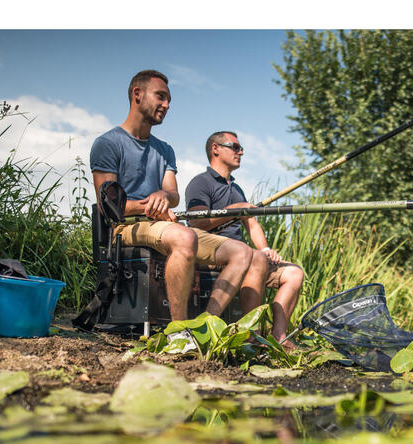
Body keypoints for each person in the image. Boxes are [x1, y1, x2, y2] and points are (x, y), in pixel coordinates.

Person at [89, 70, 203, 350]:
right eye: (160, 97)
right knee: (186, 238)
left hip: (163, 225)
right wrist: (148, 206)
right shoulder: (108, 143)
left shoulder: (165, 150)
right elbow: (109, 207)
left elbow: (173, 194)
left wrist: (164, 195)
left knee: (244, 254)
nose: (166, 105)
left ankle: (207, 328)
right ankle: (179, 334)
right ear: (137, 95)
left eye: (169, 100)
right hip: (125, 226)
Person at [185, 131, 304, 349]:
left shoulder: (237, 189)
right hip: (215, 254)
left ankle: (279, 336)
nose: (241, 152)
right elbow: (197, 222)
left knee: (294, 273)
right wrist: (235, 209)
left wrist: (266, 248)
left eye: (241, 148)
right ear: (216, 149)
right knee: (255, 257)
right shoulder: (200, 183)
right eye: (235, 147)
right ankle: (251, 334)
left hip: (247, 257)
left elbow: (252, 223)